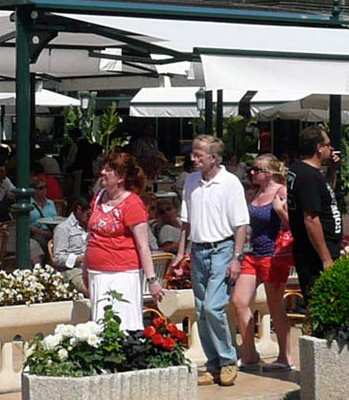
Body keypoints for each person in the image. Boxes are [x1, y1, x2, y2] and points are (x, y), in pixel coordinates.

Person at [174, 134, 249, 384]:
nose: (193, 159)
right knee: (201, 310)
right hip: (198, 250)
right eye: (193, 154)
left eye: (199, 155)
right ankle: (214, 363)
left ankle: (228, 359)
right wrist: (181, 252)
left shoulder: (230, 183)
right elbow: (186, 220)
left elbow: (240, 224)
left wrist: (236, 258)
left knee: (212, 307)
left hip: (222, 249)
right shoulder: (192, 181)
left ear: (214, 158)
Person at [85, 151, 165, 333]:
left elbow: (143, 246)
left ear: (121, 177)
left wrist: (152, 280)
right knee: (101, 325)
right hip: (97, 272)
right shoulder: (98, 197)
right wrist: (85, 269)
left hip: (122, 273)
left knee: (122, 324)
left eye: (109, 170)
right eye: (104, 168)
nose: (103, 173)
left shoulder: (132, 204)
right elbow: (91, 236)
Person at [236, 154, 295, 374]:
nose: (252, 172)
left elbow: (294, 226)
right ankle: (250, 353)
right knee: (240, 301)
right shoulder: (256, 192)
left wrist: (280, 210)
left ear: (269, 173)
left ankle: (285, 356)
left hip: (273, 255)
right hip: (252, 254)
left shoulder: (281, 192)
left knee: (275, 306)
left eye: (256, 169)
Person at [289, 127, 342, 303]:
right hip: (315, 255)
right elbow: (311, 219)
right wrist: (326, 259)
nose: (331, 149)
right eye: (328, 145)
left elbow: (325, 194)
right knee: (321, 304)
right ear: (319, 147)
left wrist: (332, 170)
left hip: (321, 249)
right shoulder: (307, 176)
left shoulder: (306, 172)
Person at [49, 196, 90, 293]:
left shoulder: (91, 227)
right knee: (89, 289)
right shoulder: (63, 228)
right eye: (88, 215)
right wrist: (78, 259)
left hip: (92, 267)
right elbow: (57, 258)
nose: (91, 218)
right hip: (72, 270)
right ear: (79, 210)